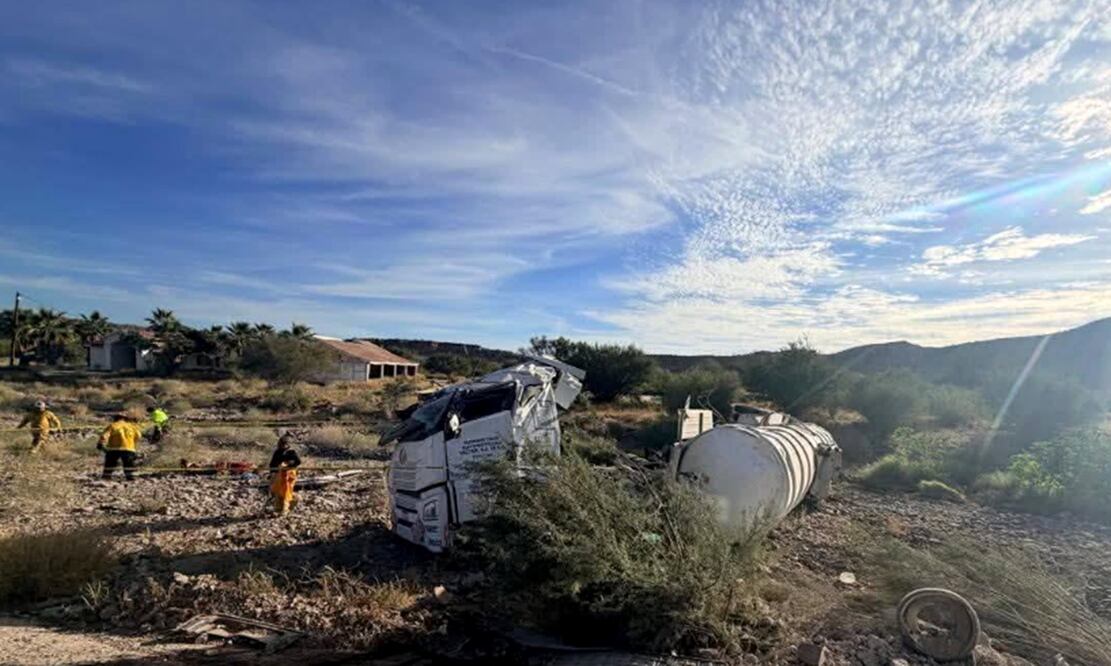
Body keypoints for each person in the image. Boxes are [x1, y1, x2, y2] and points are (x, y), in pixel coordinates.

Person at [98, 413, 143, 481]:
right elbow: (138, 436)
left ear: (116, 418)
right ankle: (130, 478)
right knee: (128, 464)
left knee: (110, 463)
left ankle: (106, 477)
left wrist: (100, 443)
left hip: (113, 448)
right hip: (129, 448)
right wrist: (132, 443)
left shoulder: (113, 425)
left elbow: (104, 436)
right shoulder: (132, 426)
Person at [268, 433, 301, 515]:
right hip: (278, 475)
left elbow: (297, 462)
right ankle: (278, 509)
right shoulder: (277, 452)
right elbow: (272, 464)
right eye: (281, 444)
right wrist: (272, 473)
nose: (282, 446)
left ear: (287, 444)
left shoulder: (291, 452)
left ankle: (285, 509)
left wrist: (288, 465)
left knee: (286, 492)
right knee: (277, 492)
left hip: (289, 476)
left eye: (284, 444)